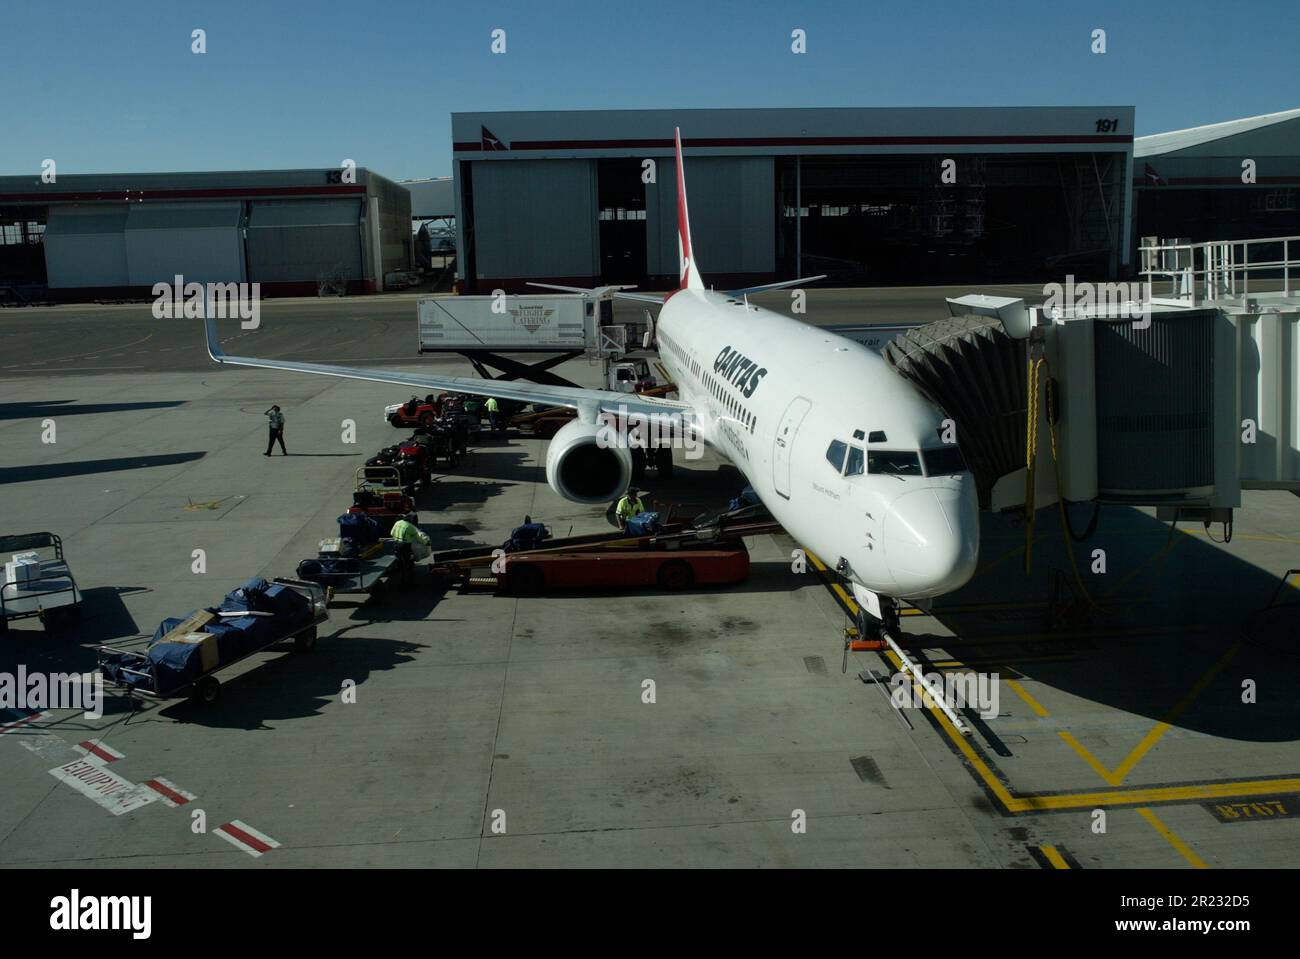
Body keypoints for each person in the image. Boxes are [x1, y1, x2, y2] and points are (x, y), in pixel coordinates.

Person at [389, 513, 431, 585]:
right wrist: (426, 542)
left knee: (401, 563)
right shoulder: (410, 527)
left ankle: (402, 579)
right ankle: (409, 583)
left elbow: (391, 533)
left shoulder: (398, 522)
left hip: (396, 545)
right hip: (405, 547)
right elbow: (419, 538)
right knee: (408, 564)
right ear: (411, 520)